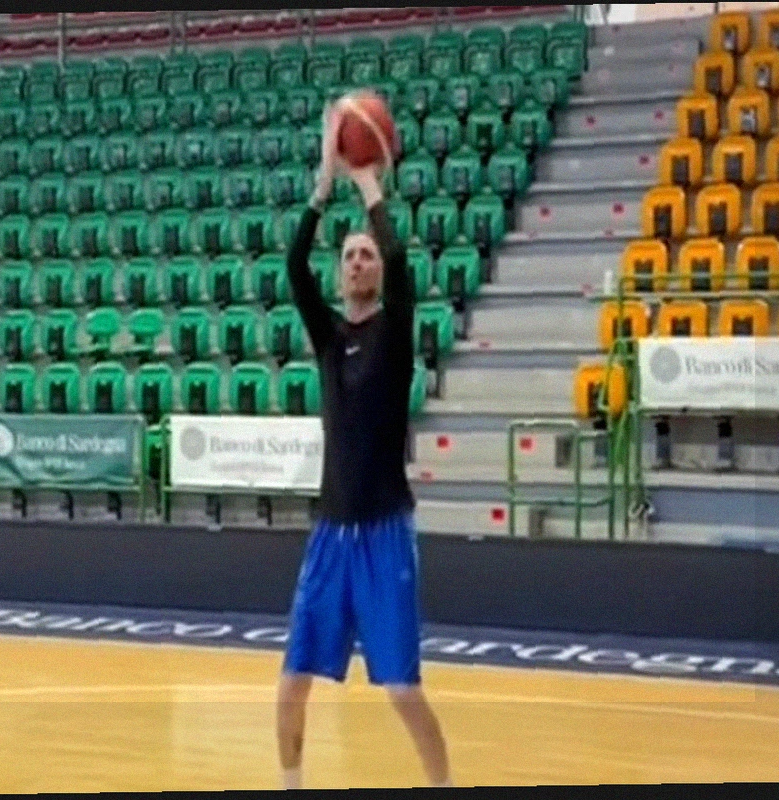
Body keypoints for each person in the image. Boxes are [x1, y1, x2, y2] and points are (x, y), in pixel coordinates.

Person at [276, 104, 451, 789]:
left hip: (384, 532)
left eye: (365, 254)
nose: (357, 261)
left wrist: (368, 184)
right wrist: (323, 186)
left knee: (403, 691)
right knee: (291, 685)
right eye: (349, 256)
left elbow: (401, 258)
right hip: (331, 532)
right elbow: (294, 266)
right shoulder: (329, 338)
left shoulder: (394, 333)